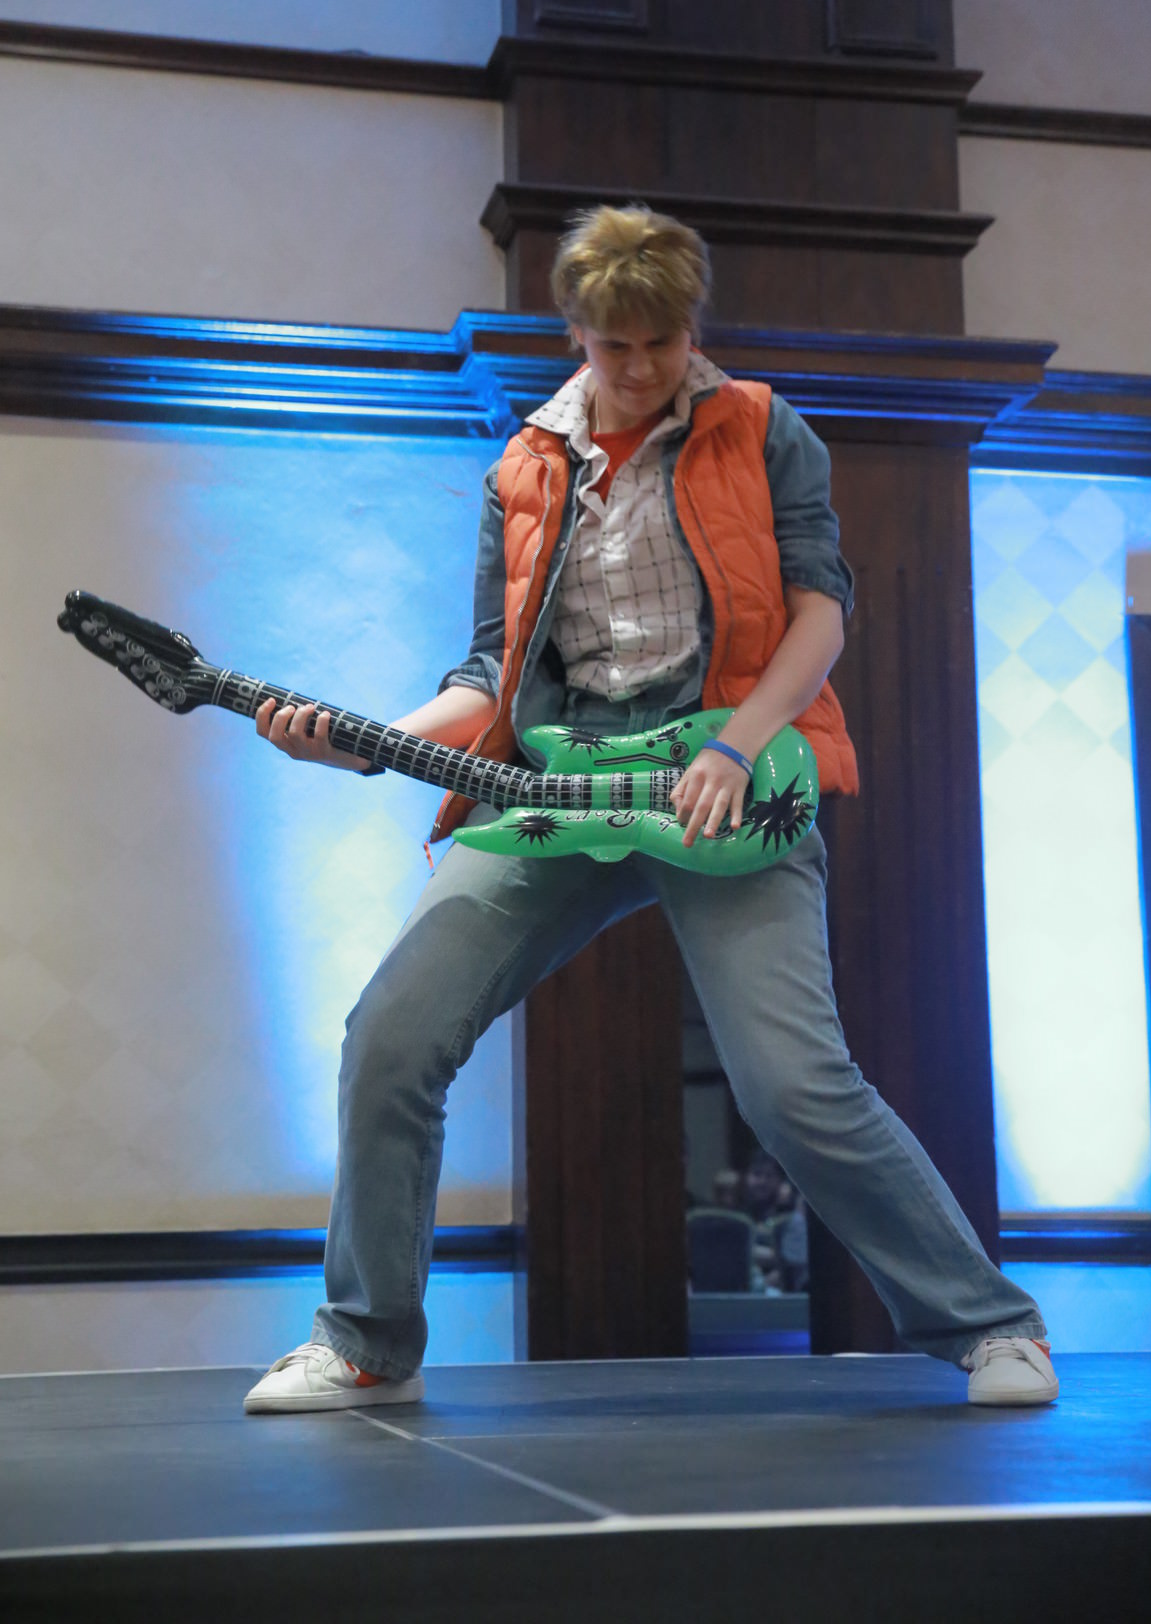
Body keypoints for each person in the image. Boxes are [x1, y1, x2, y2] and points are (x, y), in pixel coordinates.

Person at [243, 204, 1058, 1413]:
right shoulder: (522, 467)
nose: (638, 368)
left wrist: (739, 741)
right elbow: (491, 675)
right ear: (575, 334)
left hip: (725, 778)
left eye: (662, 343)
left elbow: (821, 609)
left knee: (793, 1086)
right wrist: (365, 746)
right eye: (614, 345)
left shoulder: (763, 429)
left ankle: (990, 1324)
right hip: (555, 786)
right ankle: (365, 1341)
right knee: (390, 1039)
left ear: (691, 326)